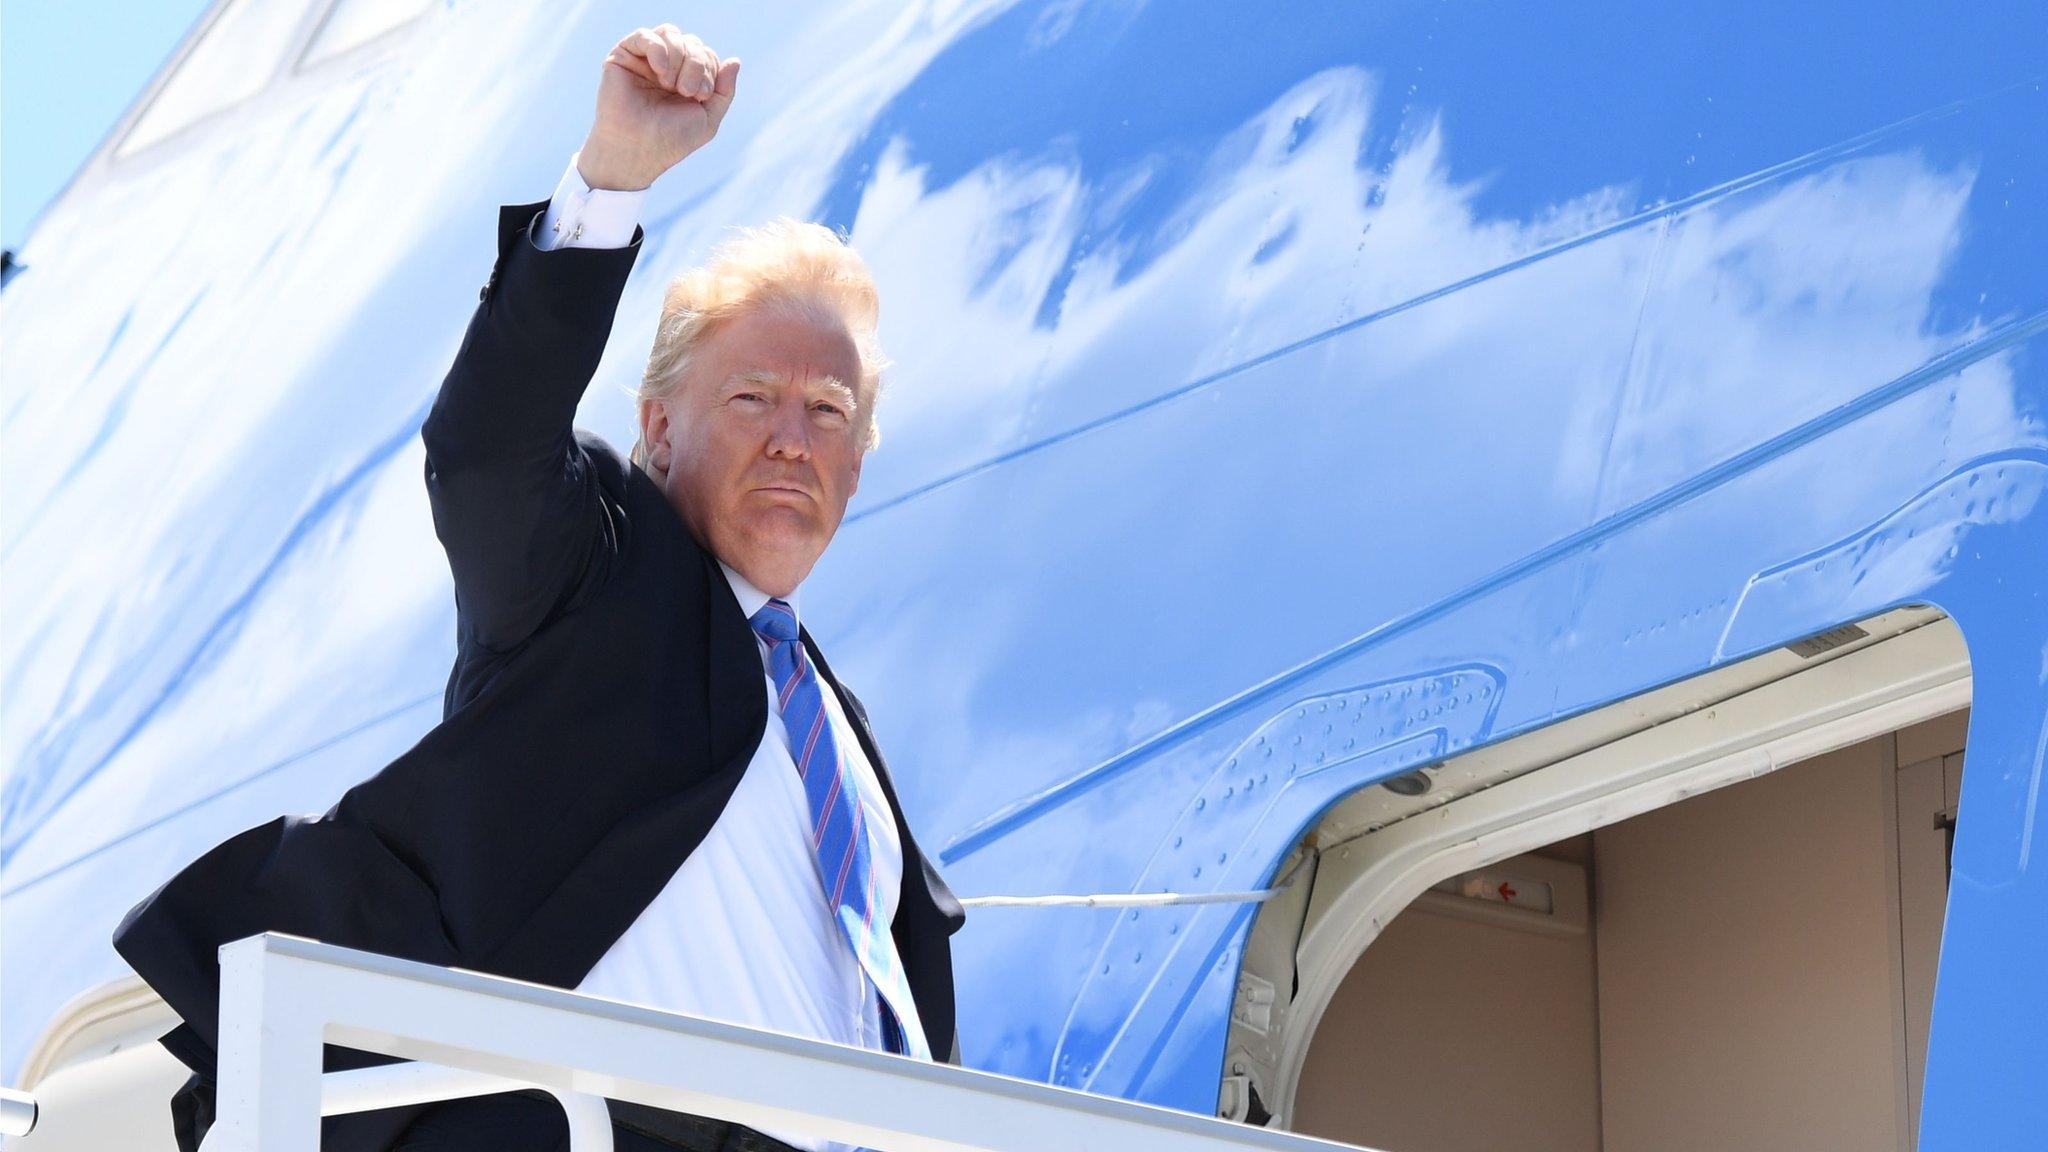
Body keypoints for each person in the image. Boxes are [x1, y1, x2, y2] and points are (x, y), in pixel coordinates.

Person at [110, 23, 964, 1152]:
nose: (793, 441)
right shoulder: (595, 575)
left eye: (828, 414)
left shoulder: (839, 747)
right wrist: (607, 180)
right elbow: (486, 448)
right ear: (657, 428)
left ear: (855, 467)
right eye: (753, 398)